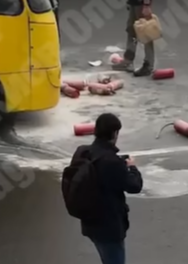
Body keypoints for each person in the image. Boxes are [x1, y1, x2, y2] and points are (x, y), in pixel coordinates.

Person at [67, 113, 143, 264]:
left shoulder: (82, 152)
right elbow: (134, 186)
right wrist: (132, 168)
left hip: (90, 222)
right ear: (114, 133)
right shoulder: (111, 162)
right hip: (109, 227)